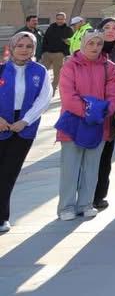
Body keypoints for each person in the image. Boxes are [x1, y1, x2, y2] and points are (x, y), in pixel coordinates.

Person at [55, 30, 115, 221]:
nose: (95, 47)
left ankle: (86, 203)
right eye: (91, 43)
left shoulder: (110, 67)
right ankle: (66, 206)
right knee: (70, 168)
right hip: (74, 123)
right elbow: (67, 94)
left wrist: (107, 110)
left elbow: (114, 92)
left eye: (99, 44)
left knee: (92, 167)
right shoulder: (70, 65)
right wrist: (87, 112)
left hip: (99, 123)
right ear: (83, 44)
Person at [1, 31, 52, 233]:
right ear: (12, 47)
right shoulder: (1, 69)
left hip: (23, 128)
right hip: (1, 122)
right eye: (20, 45)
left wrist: (25, 121)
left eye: (29, 46)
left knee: (8, 174)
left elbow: (44, 99)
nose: (24, 50)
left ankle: (2, 217)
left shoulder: (39, 71)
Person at [92, 18, 115, 211]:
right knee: (88, 156)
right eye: (106, 27)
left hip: (112, 113)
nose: (111, 31)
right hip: (90, 112)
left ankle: (99, 196)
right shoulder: (91, 50)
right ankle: (85, 195)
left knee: (106, 157)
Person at [40, 12, 71, 76]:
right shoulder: (50, 28)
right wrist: (43, 52)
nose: (59, 21)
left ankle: (54, 86)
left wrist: (64, 53)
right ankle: (41, 85)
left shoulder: (68, 29)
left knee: (57, 74)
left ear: (65, 19)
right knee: (42, 72)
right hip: (47, 54)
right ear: (56, 19)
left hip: (59, 55)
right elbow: (45, 39)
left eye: (61, 19)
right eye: (58, 19)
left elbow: (70, 43)